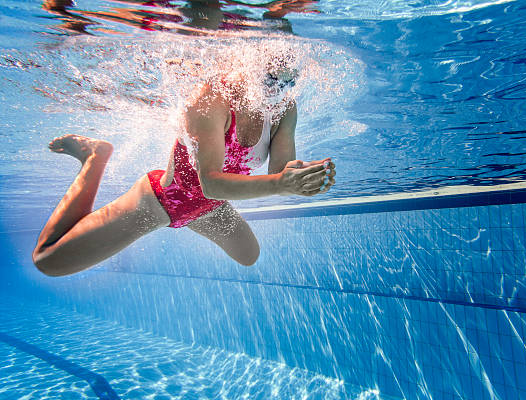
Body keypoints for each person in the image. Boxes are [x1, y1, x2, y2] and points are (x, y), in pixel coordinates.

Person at [32, 48, 336, 276]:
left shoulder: (284, 108)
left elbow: (281, 175)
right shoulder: (213, 99)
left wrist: (302, 179)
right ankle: (95, 157)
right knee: (48, 261)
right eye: (271, 80)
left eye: (288, 83)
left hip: (210, 207)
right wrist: (281, 184)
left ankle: (196, 216)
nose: (277, 92)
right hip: (162, 201)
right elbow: (212, 182)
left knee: (249, 255)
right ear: (251, 66)